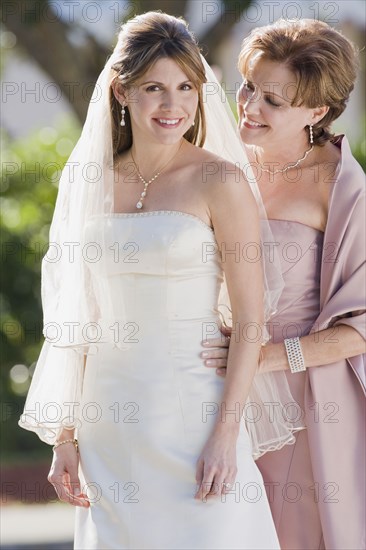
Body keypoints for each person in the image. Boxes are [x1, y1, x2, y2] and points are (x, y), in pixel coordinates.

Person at [18, 12, 303, 550]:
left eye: (185, 88)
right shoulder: (92, 181)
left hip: (195, 419)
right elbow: (75, 314)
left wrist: (225, 436)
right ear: (122, 92)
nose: (172, 106)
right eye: (154, 88)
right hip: (109, 423)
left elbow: (249, 321)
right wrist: (66, 435)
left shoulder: (220, 179)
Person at [201, 19, 366, 550]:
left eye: (272, 100)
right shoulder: (218, 161)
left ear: (317, 112)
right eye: (248, 85)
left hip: (303, 405)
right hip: (207, 386)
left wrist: (263, 357)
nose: (249, 106)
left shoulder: (345, 189)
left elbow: (361, 327)